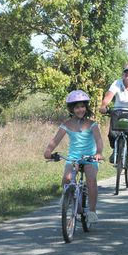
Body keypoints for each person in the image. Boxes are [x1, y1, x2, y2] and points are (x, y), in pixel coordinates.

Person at [44, 90, 103, 222]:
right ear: (72, 109)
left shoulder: (91, 124)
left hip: (90, 157)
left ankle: (92, 211)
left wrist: (98, 153)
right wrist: (48, 151)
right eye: (77, 107)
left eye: (82, 106)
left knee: (91, 180)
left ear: (86, 107)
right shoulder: (66, 124)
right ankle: (67, 196)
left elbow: (99, 140)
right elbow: (55, 140)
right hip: (73, 157)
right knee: (67, 178)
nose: (80, 109)